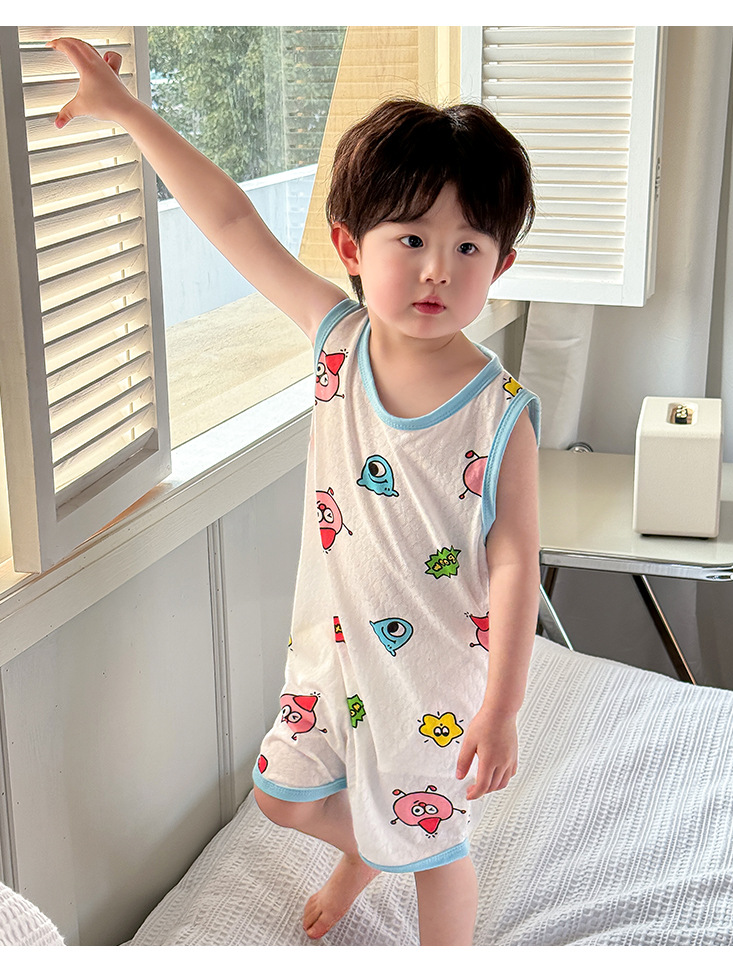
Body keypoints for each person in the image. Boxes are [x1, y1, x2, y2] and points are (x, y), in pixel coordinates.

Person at [48, 36, 541, 946]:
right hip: (333, 646)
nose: (437, 268)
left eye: (468, 244)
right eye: (411, 238)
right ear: (352, 246)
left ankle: (404, 871)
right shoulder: (336, 340)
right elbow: (233, 221)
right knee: (280, 795)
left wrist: (502, 708)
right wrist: (127, 112)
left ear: (500, 264)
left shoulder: (499, 411)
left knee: (436, 852)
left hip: (433, 675)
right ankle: (369, 846)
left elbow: (515, 562)